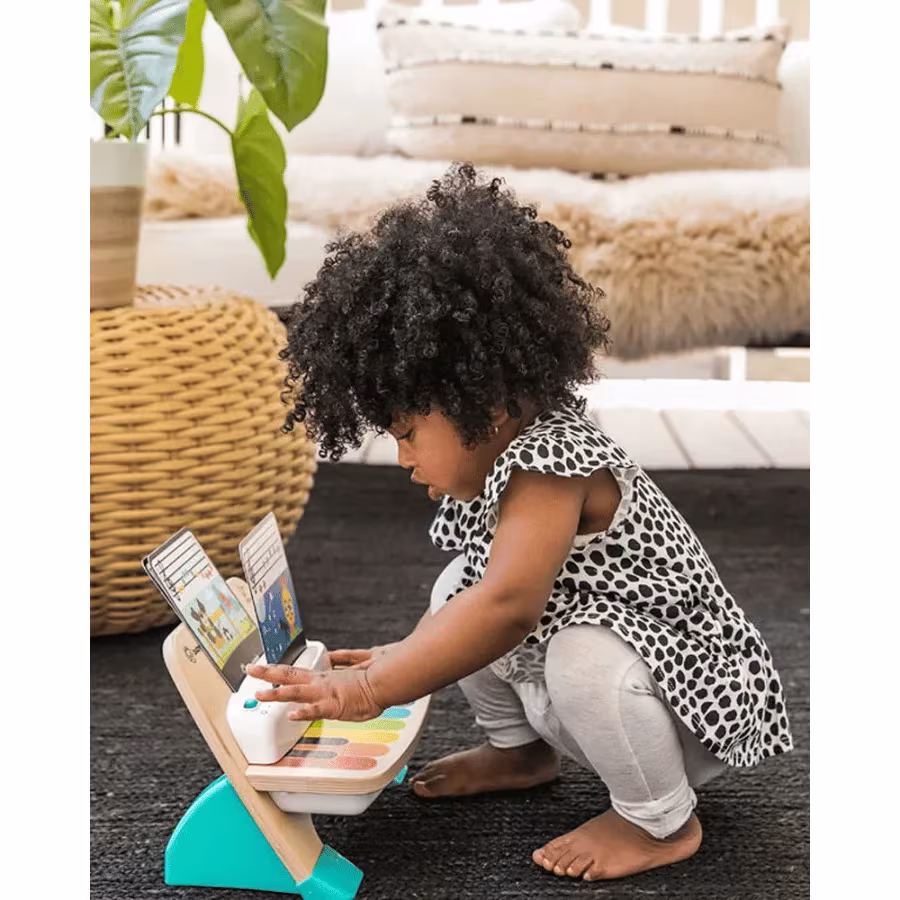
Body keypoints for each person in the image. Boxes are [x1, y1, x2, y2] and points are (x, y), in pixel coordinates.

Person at [246, 163, 793, 883]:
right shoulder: (509, 450)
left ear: (488, 403)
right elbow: (482, 594)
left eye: (407, 432)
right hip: (621, 682)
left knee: (554, 642)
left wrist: (373, 691)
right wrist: (398, 653)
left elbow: (510, 607)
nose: (403, 457)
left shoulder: (551, 463)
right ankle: (521, 751)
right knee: (458, 587)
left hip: (692, 698)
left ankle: (659, 819)